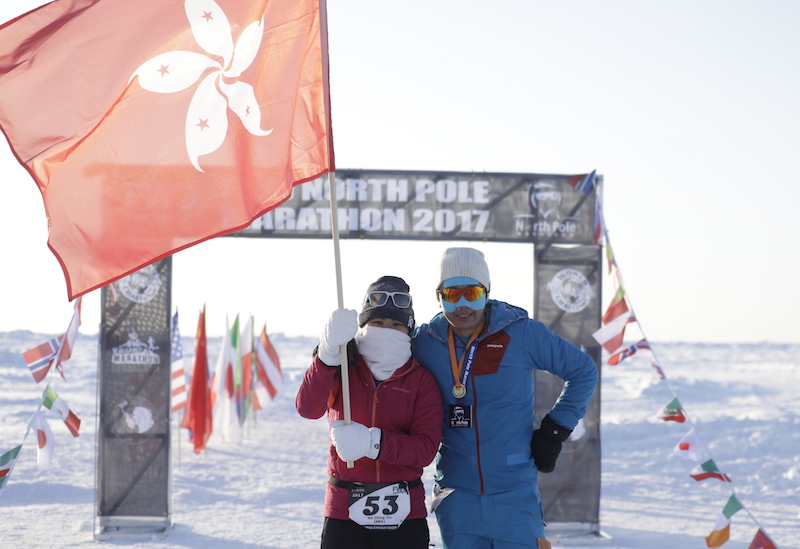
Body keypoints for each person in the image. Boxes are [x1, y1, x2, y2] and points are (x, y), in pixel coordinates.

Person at [411, 247, 599, 549]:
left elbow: (583, 370)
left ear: (486, 292)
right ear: (439, 296)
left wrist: (555, 430)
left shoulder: (521, 333)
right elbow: (379, 360)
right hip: (456, 497)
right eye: (451, 294)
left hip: (514, 494)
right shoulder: (425, 342)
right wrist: (335, 353)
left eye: (471, 293)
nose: (462, 305)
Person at [296, 275, 443, 549]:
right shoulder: (342, 370)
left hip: (404, 514)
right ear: (363, 326)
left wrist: (372, 442)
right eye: (377, 323)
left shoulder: (421, 380)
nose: (385, 330)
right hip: (344, 509)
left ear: (408, 331)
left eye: (396, 324)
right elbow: (307, 408)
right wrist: (326, 356)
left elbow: (425, 449)